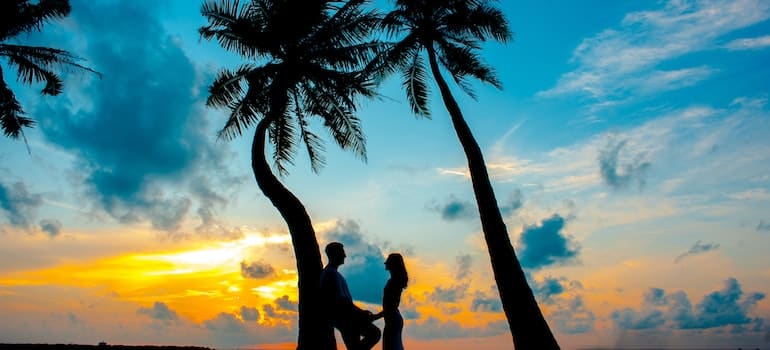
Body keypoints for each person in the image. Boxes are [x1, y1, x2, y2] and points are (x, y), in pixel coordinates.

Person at [320, 242, 381, 350]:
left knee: (357, 344)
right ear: (335, 254)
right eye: (342, 253)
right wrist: (361, 313)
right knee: (374, 333)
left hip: (346, 318)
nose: (345, 255)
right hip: (346, 319)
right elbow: (342, 302)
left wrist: (361, 313)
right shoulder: (331, 274)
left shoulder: (332, 273)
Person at [373, 253, 408, 350]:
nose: (385, 263)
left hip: (392, 319)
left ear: (393, 264)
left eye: (388, 260)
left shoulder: (393, 282)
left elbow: (391, 307)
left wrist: (376, 317)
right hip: (392, 319)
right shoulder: (394, 281)